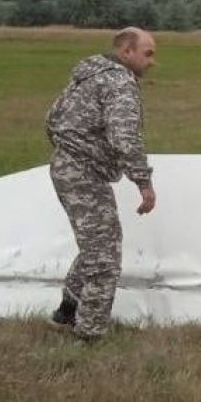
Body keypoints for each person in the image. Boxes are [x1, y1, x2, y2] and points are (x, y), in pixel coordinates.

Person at [46, 27, 159, 341]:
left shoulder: (89, 75)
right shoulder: (119, 82)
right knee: (105, 256)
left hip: (67, 165)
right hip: (82, 172)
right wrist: (143, 183)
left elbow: (53, 117)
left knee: (97, 244)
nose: (153, 62)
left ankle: (67, 310)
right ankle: (89, 335)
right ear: (127, 52)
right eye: (148, 53)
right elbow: (125, 137)